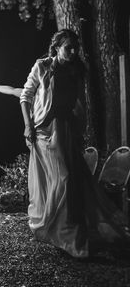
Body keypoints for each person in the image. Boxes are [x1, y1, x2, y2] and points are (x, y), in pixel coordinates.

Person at [20, 29, 130, 258]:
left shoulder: (76, 69)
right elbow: (25, 96)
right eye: (68, 47)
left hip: (65, 129)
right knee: (58, 178)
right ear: (56, 47)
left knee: (70, 178)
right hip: (43, 131)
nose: (73, 51)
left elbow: (79, 101)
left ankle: (72, 234)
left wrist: (80, 128)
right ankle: (61, 230)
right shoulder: (42, 66)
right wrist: (28, 125)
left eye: (75, 47)